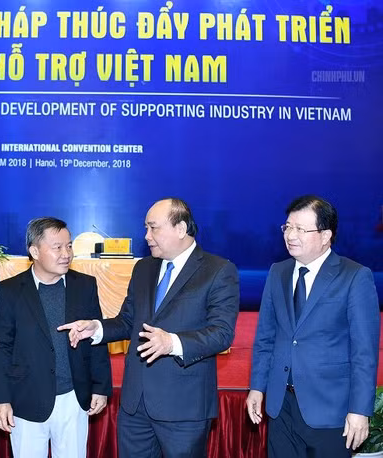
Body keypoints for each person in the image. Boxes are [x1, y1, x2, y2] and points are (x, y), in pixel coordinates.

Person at [58, 198, 239, 458]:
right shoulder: (144, 267)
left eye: (153, 228)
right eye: (146, 228)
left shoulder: (218, 270)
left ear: (180, 228)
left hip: (184, 407)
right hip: (135, 406)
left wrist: (172, 343)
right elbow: (128, 321)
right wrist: (96, 328)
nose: (147, 236)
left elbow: (222, 333)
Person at [246, 195, 380, 456]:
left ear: (325, 235)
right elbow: (265, 338)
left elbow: (364, 352)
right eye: (287, 227)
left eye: (300, 229)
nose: (290, 235)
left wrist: (360, 410)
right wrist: (257, 387)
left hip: (330, 410)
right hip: (281, 407)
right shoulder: (278, 272)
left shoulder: (354, 276)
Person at [0, 217, 112, 458]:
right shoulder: (9, 290)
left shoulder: (85, 285)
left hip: (73, 397)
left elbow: (96, 340)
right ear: (34, 251)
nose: (66, 254)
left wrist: (101, 387)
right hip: (26, 398)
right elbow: (2, 347)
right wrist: (1, 399)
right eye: (57, 247)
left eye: (69, 246)